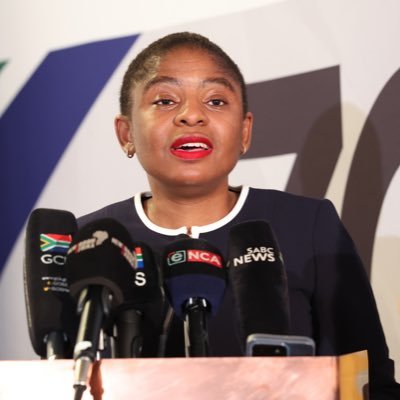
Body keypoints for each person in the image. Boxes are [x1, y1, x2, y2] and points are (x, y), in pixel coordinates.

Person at [78, 32, 400, 398]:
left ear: (244, 131)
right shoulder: (92, 242)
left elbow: (369, 381)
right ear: (126, 133)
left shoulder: (306, 224)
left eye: (215, 100)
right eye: (165, 100)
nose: (191, 115)